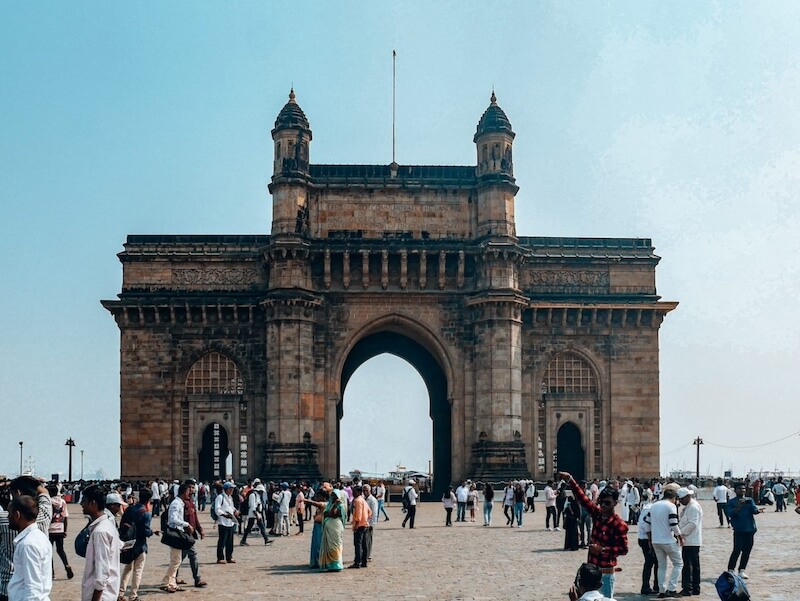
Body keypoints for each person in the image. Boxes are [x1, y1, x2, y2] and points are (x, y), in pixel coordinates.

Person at [559, 471, 628, 600]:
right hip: (591, 573)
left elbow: (623, 549)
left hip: (606, 574)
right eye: (601, 502)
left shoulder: (619, 524)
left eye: (607, 503)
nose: (603, 506)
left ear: (615, 503)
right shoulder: (598, 515)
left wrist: (602, 550)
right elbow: (583, 499)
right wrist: (570, 479)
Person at [80, 484, 122, 601]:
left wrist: (96, 598)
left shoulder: (100, 531)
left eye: (84, 500)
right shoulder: (108, 525)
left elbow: (102, 571)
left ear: (93, 503)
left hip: (101, 596)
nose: (81, 504)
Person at [7, 495, 52, 601]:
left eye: (10, 513)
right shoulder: (38, 537)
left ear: (17, 515)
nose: (8, 517)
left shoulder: (28, 544)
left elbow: (33, 587)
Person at [646, 487, 683, 598]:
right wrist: (680, 536)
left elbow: (647, 523)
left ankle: (662, 590)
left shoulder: (653, 505)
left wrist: (649, 538)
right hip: (668, 540)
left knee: (662, 566)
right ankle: (671, 589)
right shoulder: (671, 506)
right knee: (678, 563)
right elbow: (673, 523)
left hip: (656, 540)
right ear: (673, 498)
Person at [118, 488, 154, 601]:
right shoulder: (146, 513)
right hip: (140, 544)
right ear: (149, 499)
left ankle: (120, 593)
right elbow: (146, 532)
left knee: (127, 568)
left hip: (128, 543)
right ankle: (133, 595)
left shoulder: (129, 509)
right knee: (137, 570)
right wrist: (153, 532)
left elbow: (122, 524)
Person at [725, 481, 764, 580]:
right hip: (739, 530)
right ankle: (730, 570)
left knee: (747, 551)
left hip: (750, 530)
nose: (742, 490)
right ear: (735, 490)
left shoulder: (749, 500)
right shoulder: (731, 502)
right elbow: (730, 514)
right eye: (739, 489)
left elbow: (754, 510)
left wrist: (758, 511)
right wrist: (738, 507)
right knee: (736, 550)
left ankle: (742, 570)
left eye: (743, 488)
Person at [677, 487, 703, 596]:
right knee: (693, 565)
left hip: (691, 540)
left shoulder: (693, 507)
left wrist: (679, 533)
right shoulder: (688, 507)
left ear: (687, 497)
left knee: (688, 566)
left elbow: (692, 524)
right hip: (689, 540)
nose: (680, 502)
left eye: (681, 499)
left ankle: (688, 588)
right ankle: (695, 588)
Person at [46, 484, 73, 580]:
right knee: (60, 550)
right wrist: (65, 530)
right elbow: (65, 517)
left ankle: (51, 572)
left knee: (49, 552)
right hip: (60, 528)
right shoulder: (62, 502)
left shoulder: (48, 502)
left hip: (49, 529)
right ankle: (66, 565)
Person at [319, 489, 346, 571]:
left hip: (336, 528)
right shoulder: (329, 504)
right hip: (329, 528)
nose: (333, 497)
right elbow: (326, 513)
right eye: (332, 495)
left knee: (336, 545)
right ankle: (329, 564)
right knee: (329, 546)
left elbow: (333, 514)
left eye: (335, 495)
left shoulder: (341, 506)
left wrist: (335, 505)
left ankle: (336, 565)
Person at [636, 502, 658, 595]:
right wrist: (650, 540)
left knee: (652, 563)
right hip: (647, 539)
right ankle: (648, 587)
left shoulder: (648, 507)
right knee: (652, 563)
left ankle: (653, 586)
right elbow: (646, 525)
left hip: (643, 538)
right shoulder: (652, 509)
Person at [214, 482, 239, 565]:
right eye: (231, 488)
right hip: (223, 522)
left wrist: (235, 511)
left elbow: (231, 507)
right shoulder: (220, 497)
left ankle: (229, 557)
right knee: (222, 541)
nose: (232, 490)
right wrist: (224, 515)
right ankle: (220, 558)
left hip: (230, 522)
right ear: (227, 489)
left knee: (230, 541)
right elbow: (217, 509)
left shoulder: (230, 497)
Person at [307, 483, 330, 568]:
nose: (317, 498)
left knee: (320, 545)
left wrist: (305, 500)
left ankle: (321, 561)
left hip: (322, 527)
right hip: (317, 526)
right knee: (316, 545)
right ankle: (316, 561)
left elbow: (317, 504)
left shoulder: (326, 504)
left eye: (319, 496)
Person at [348, 486, 370, 569]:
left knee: (358, 544)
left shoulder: (357, 501)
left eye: (354, 492)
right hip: (365, 524)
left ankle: (358, 562)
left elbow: (358, 515)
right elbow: (369, 512)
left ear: (358, 492)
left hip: (359, 525)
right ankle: (364, 561)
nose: (353, 493)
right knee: (364, 544)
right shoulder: (364, 500)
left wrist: (356, 524)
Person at [363, 484, 378, 562]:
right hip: (364, 522)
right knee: (364, 540)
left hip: (369, 522)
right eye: (364, 490)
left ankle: (369, 555)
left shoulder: (372, 500)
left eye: (367, 490)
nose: (365, 492)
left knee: (369, 539)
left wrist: (372, 523)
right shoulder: (363, 499)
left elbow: (375, 512)